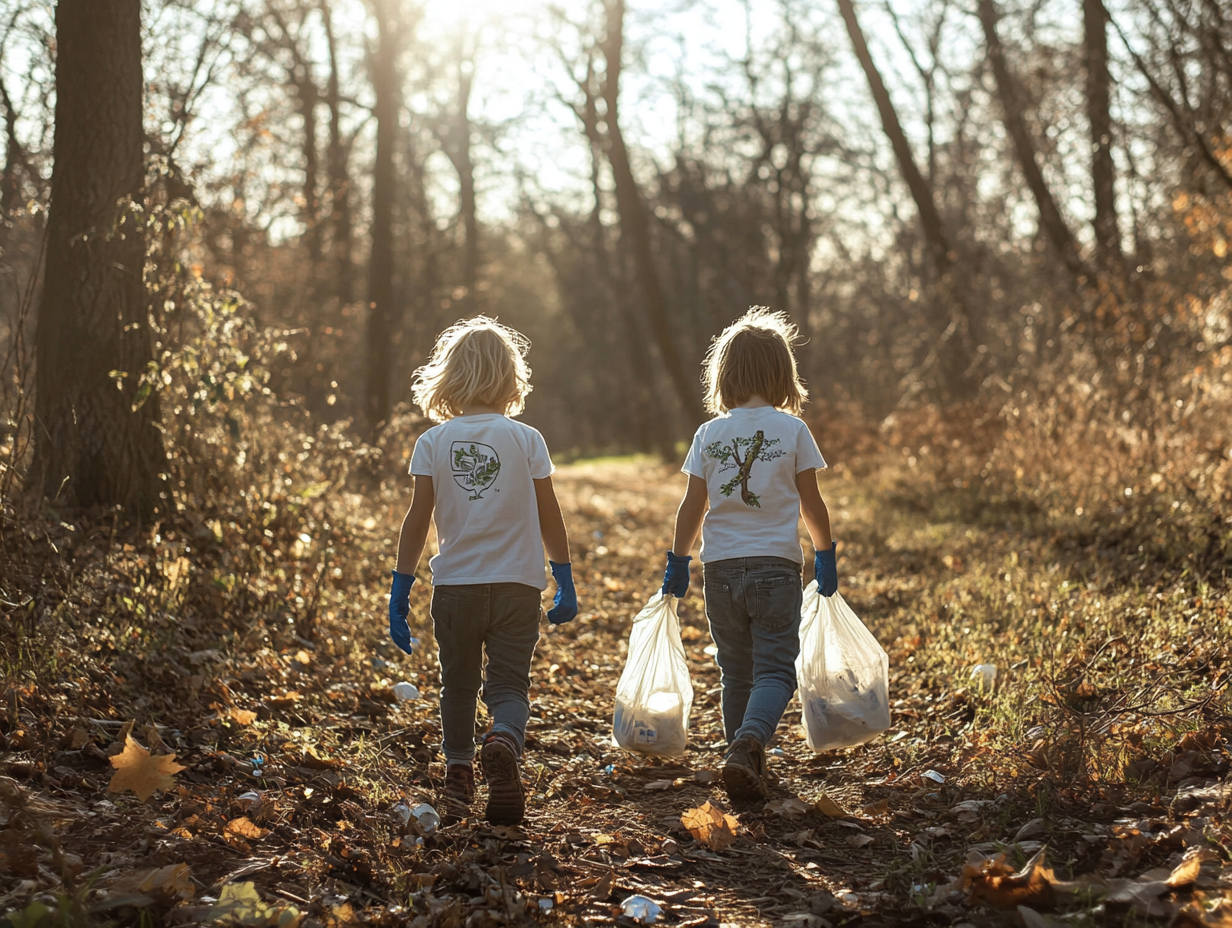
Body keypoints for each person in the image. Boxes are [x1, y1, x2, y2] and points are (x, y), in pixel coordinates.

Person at [388, 317, 578, 827]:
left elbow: (417, 520)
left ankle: (458, 777)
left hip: (455, 587)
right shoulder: (527, 439)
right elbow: (549, 513)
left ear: (449, 376)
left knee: (458, 684)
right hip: (517, 584)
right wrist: (564, 574)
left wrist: (400, 587)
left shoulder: (433, 442)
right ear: (511, 378)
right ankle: (502, 740)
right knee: (510, 686)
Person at [662, 307, 837, 802]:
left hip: (719, 570)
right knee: (777, 670)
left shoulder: (709, 434)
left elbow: (691, 506)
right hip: (776, 568)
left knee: (735, 670)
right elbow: (812, 503)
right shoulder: (792, 431)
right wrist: (825, 555)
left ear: (725, 374)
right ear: (783, 375)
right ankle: (748, 744)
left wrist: (678, 561)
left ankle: (742, 760)